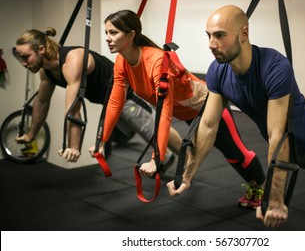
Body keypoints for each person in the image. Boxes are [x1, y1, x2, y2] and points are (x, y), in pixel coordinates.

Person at [167, 5, 305, 231]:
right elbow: (208, 125)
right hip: (289, 146)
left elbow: (278, 133)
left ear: (244, 34)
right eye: (209, 36)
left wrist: (275, 200)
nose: (211, 44)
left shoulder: (274, 66)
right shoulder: (218, 70)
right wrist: (186, 175)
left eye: (220, 35)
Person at [95, 9, 266, 208]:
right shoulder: (122, 62)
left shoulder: (156, 61)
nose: (107, 38)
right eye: (106, 32)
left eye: (113, 33)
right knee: (213, 151)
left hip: (208, 106)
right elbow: (116, 102)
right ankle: (254, 186)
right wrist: (102, 140)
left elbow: (164, 113)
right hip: (188, 114)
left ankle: (261, 186)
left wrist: (155, 158)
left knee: (234, 151)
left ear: (131, 34)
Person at [13, 27, 181, 172]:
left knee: (156, 131)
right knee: (144, 132)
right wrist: (31, 134)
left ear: (41, 49)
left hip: (126, 93)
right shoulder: (47, 72)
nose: (23, 63)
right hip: (108, 102)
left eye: (25, 57)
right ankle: (166, 156)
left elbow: (73, 108)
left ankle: (189, 155)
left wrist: (73, 146)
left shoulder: (72, 60)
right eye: (20, 57)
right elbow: (42, 103)